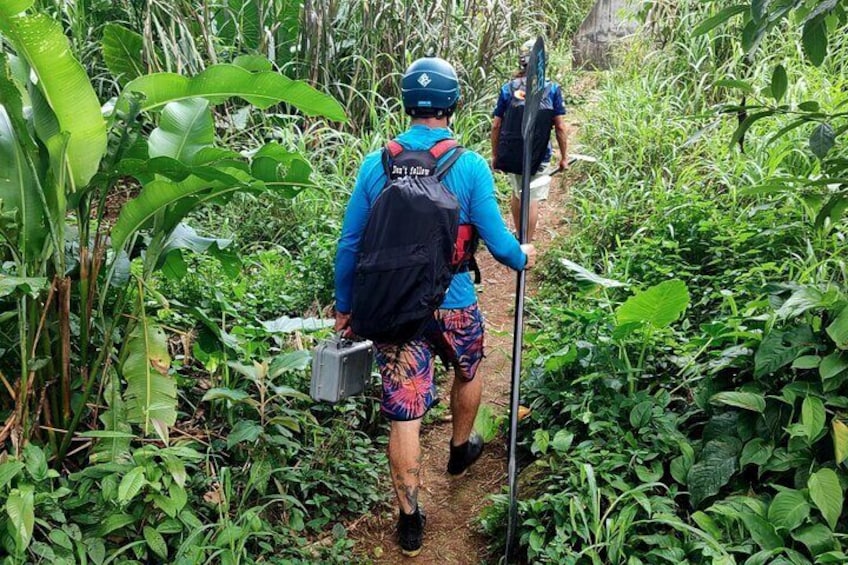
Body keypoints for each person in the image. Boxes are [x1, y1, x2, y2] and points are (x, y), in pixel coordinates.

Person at [333, 57, 536, 557]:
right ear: (453, 103)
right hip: (455, 305)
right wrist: (523, 256)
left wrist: (344, 307)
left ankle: (409, 520)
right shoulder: (467, 166)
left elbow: (349, 246)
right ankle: (460, 450)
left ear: (406, 103)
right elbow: (499, 244)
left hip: (393, 309)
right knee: (469, 372)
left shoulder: (375, 163)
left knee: (405, 415)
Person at [491, 38, 569, 242]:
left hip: (513, 154)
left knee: (518, 193)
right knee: (531, 198)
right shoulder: (552, 89)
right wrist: (564, 157)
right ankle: (526, 242)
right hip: (540, 154)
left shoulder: (508, 88)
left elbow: (496, 125)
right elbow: (559, 126)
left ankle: (519, 236)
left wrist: (495, 155)